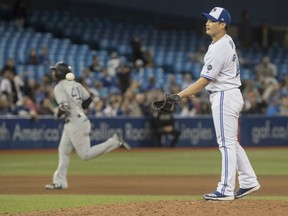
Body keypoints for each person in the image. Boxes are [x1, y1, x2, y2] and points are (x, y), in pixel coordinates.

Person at [175, 7, 260, 200]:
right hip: (229, 94)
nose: (207, 23)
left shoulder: (219, 46)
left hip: (224, 96)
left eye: (212, 20)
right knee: (231, 142)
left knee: (226, 144)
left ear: (223, 24)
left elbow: (205, 79)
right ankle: (248, 181)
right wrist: (192, 91)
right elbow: (211, 79)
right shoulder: (225, 40)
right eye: (207, 19)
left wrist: (179, 95)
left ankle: (225, 189)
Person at [45, 61, 131, 190]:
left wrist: (56, 113)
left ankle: (114, 142)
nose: (53, 72)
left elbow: (64, 106)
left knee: (85, 155)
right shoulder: (76, 84)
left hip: (75, 122)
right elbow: (88, 99)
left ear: (60, 72)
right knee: (63, 151)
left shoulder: (59, 87)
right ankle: (60, 182)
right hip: (76, 121)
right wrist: (81, 109)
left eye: (55, 70)